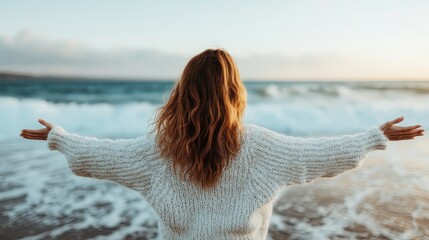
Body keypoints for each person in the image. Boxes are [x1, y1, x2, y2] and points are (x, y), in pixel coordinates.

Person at [20, 49, 424, 240]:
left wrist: (60, 138)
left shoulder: (156, 150)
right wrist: (375, 137)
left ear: (183, 92)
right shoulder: (265, 148)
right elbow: (322, 155)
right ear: (235, 92)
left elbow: (98, 155)